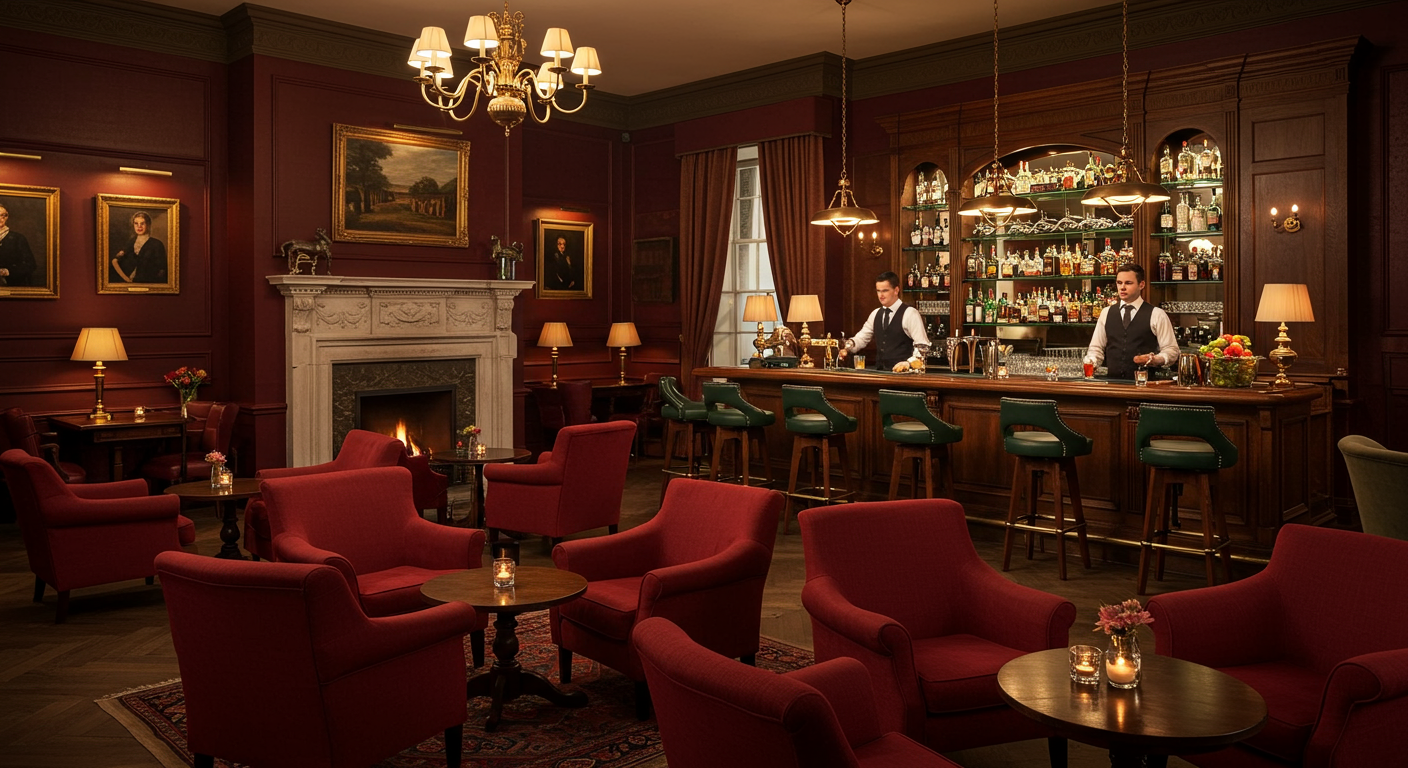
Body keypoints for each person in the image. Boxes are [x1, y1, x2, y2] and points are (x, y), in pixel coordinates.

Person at [1084, 262, 1180, 380]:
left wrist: (1156, 359)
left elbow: (1172, 350)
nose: (1122, 287)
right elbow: (1096, 349)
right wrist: (1091, 362)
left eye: (1128, 283)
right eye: (1119, 283)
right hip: (1112, 384)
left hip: (1145, 385)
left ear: (1141, 284)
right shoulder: (1106, 312)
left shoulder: (1157, 314)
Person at [839, 271, 930, 371]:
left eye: (885, 291)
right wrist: (847, 347)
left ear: (896, 290)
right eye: (878, 291)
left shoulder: (910, 313)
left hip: (904, 376)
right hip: (880, 373)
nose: (881, 295)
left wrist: (908, 363)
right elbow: (861, 338)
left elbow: (922, 346)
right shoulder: (875, 313)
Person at [109, 211, 167, 284]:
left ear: (148, 225)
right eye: (136, 223)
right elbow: (115, 261)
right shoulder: (131, 242)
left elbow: (162, 270)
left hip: (148, 284)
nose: (139, 226)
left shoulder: (157, 244)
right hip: (127, 284)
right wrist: (127, 279)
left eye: (142, 223)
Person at [0, 203, 37, 287]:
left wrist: (7, 271)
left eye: (3, 216)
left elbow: (31, 265)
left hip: (12, 285)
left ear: (7, 217)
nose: (0, 219)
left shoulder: (18, 238)